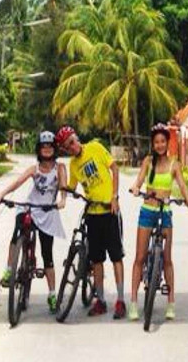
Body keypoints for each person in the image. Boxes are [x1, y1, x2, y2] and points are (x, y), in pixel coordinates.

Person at [56, 125, 127, 319]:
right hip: (92, 213)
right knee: (96, 259)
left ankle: (120, 300)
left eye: (72, 141)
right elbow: (70, 187)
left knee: (116, 256)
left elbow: (114, 168)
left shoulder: (95, 147)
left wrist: (114, 197)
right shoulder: (73, 164)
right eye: (67, 147)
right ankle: (101, 300)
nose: (72, 147)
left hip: (109, 210)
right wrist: (60, 182)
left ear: (77, 138)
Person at [0, 130, 68, 312]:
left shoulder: (60, 168)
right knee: (17, 232)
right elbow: (18, 182)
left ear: (54, 149)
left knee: (47, 254)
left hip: (48, 211)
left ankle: (52, 295)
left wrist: (62, 200)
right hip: (31, 207)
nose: (47, 149)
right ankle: (9, 269)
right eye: (44, 146)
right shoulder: (34, 169)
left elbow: (63, 187)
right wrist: (2, 194)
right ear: (39, 149)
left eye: (50, 146)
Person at [127, 123, 188, 321]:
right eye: (156, 142)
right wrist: (136, 188)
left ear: (167, 142)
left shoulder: (174, 164)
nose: (159, 145)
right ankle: (133, 302)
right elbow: (138, 181)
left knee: (167, 259)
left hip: (165, 213)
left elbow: (182, 185)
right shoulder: (148, 162)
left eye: (163, 141)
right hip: (147, 211)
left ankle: (171, 302)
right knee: (139, 257)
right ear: (153, 144)